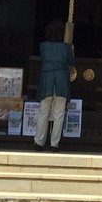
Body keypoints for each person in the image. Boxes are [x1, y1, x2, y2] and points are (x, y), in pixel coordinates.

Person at [33, 19, 74, 151]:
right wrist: (71, 48)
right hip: (61, 80)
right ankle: (54, 144)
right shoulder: (65, 47)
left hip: (47, 80)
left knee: (43, 113)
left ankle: (39, 142)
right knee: (59, 114)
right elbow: (71, 62)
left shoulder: (43, 46)